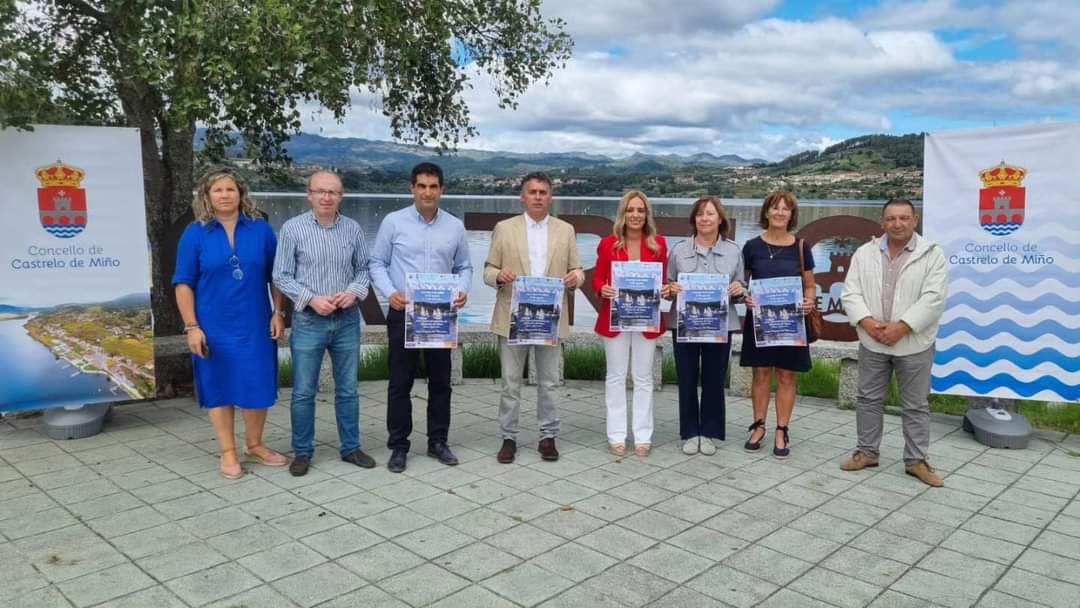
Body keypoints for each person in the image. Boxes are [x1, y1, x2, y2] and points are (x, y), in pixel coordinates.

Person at [173, 168, 288, 480]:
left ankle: (255, 444)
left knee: (256, 382)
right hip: (213, 324)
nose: (225, 195)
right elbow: (183, 284)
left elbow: (276, 277)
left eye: (230, 190)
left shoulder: (261, 230)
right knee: (219, 385)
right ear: (207, 196)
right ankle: (228, 452)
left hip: (254, 322)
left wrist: (278, 312)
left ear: (241, 194)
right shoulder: (195, 233)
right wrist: (192, 326)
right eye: (218, 190)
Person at [370, 162, 472, 473]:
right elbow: (377, 263)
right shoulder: (393, 222)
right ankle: (398, 445)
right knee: (400, 383)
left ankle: (438, 441)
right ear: (412, 188)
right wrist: (391, 292)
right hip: (404, 312)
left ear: (442, 189)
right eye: (422, 186)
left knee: (441, 382)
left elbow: (464, 267)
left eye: (433, 186)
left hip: (441, 316)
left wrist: (463, 290)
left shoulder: (454, 226)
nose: (427, 192)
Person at [840, 199, 947, 487]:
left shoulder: (932, 255)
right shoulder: (864, 253)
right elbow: (850, 293)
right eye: (891, 218)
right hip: (873, 340)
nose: (897, 224)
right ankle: (867, 452)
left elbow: (933, 298)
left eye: (903, 218)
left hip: (913, 342)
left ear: (915, 220)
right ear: (882, 221)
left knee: (915, 404)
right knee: (869, 399)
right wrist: (868, 323)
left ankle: (916, 460)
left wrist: (902, 327)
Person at [273, 171, 374, 477]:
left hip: (346, 321)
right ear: (310, 195)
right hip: (309, 320)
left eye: (333, 192)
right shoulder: (292, 229)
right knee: (303, 390)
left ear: (341, 196)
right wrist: (311, 298)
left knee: (348, 390)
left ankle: (351, 447)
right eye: (321, 191)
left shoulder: (353, 229)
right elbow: (281, 275)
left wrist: (353, 293)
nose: (327, 197)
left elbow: (363, 270)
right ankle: (302, 452)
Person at [484, 172, 585, 463]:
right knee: (510, 382)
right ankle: (508, 437)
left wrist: (575, 277)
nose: (538, 196)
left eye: (543, 192)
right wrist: (499, 276)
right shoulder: (504, 228)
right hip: (512, 317)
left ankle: (548, 436)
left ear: (550, 197)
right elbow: (488, 269)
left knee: (550, 382)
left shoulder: (566, 230)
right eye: (532, 192)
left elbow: (578, 269)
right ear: (522, 197)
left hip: (549, 319)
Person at [593, 191, 671, 457]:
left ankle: (642, 436)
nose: (636, 215)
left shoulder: (658, 244)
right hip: (615, 320)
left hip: (646, 320)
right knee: (615, 377)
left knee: (644, 377)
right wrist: (602, 289)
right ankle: (616, 435)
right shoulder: (607, 244)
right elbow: (598, 278)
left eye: (640, 210)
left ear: (647, 214)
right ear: (623, 214)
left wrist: (665, 289)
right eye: (630, 210)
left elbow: (662, 283)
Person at [666, 197, 746, 456]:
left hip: (720, 324)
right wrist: (671, 289)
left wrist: (739, 289)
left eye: (710, 214)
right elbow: (667, 287)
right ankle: (690, 432)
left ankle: (709, 432)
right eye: (700, 214)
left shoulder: (734, 251)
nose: (705, 218)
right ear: (694, 219)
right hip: (685, 323)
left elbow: (742, 286)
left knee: (714, 379)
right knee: (687, 378)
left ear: (720, 219)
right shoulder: (678, 250)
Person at [740, 191, 816, 459]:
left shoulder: (801, 246)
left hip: (791, 323)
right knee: (760, 373)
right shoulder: (751, 246)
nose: (780, 212)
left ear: (792, 215)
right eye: (775, 208)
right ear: (766, 212)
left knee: (786, 375)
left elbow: (809, 284)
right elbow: (742, 283)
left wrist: (809, 301)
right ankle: (759, 425)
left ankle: (782, 429)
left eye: (786, 209)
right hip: (760, 322)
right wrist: (745, 297)